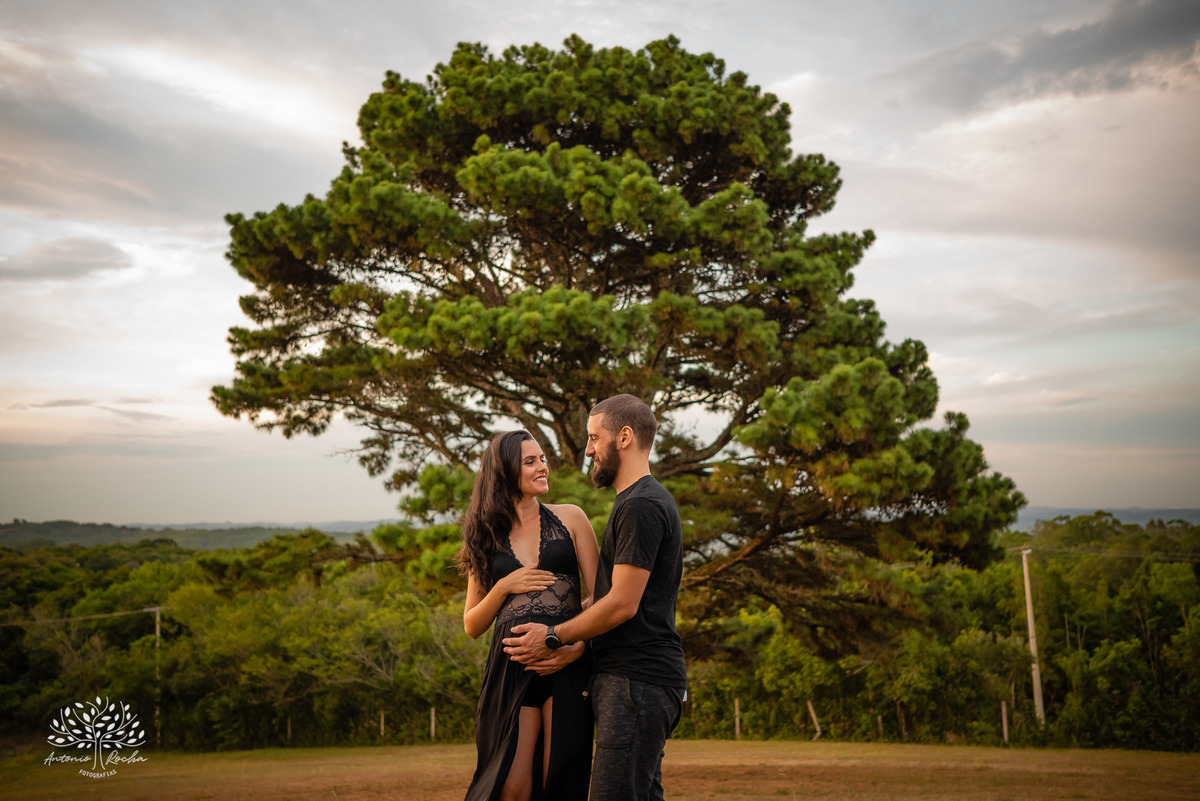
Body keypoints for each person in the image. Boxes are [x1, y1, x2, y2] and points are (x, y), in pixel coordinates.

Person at [503, 394, 688, 801]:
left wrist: (553, 637)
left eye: (594, 437)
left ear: (623, 437)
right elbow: (608, 596)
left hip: (636, 681)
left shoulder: (641, 504)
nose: (587, 450)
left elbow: (622, 604)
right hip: (634, 683)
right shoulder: (634, 501)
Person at [459, 429, 599, 801]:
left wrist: (577, 645)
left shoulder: (571, 518)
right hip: (511, 669)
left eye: (543, 459)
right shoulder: (485, 535)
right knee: (511, 787)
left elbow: (602, 597)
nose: (543, 467)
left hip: (563, 663)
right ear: (506, 471)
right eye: (530, 461)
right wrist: (504, 586)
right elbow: (472, 624)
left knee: (561, 778)